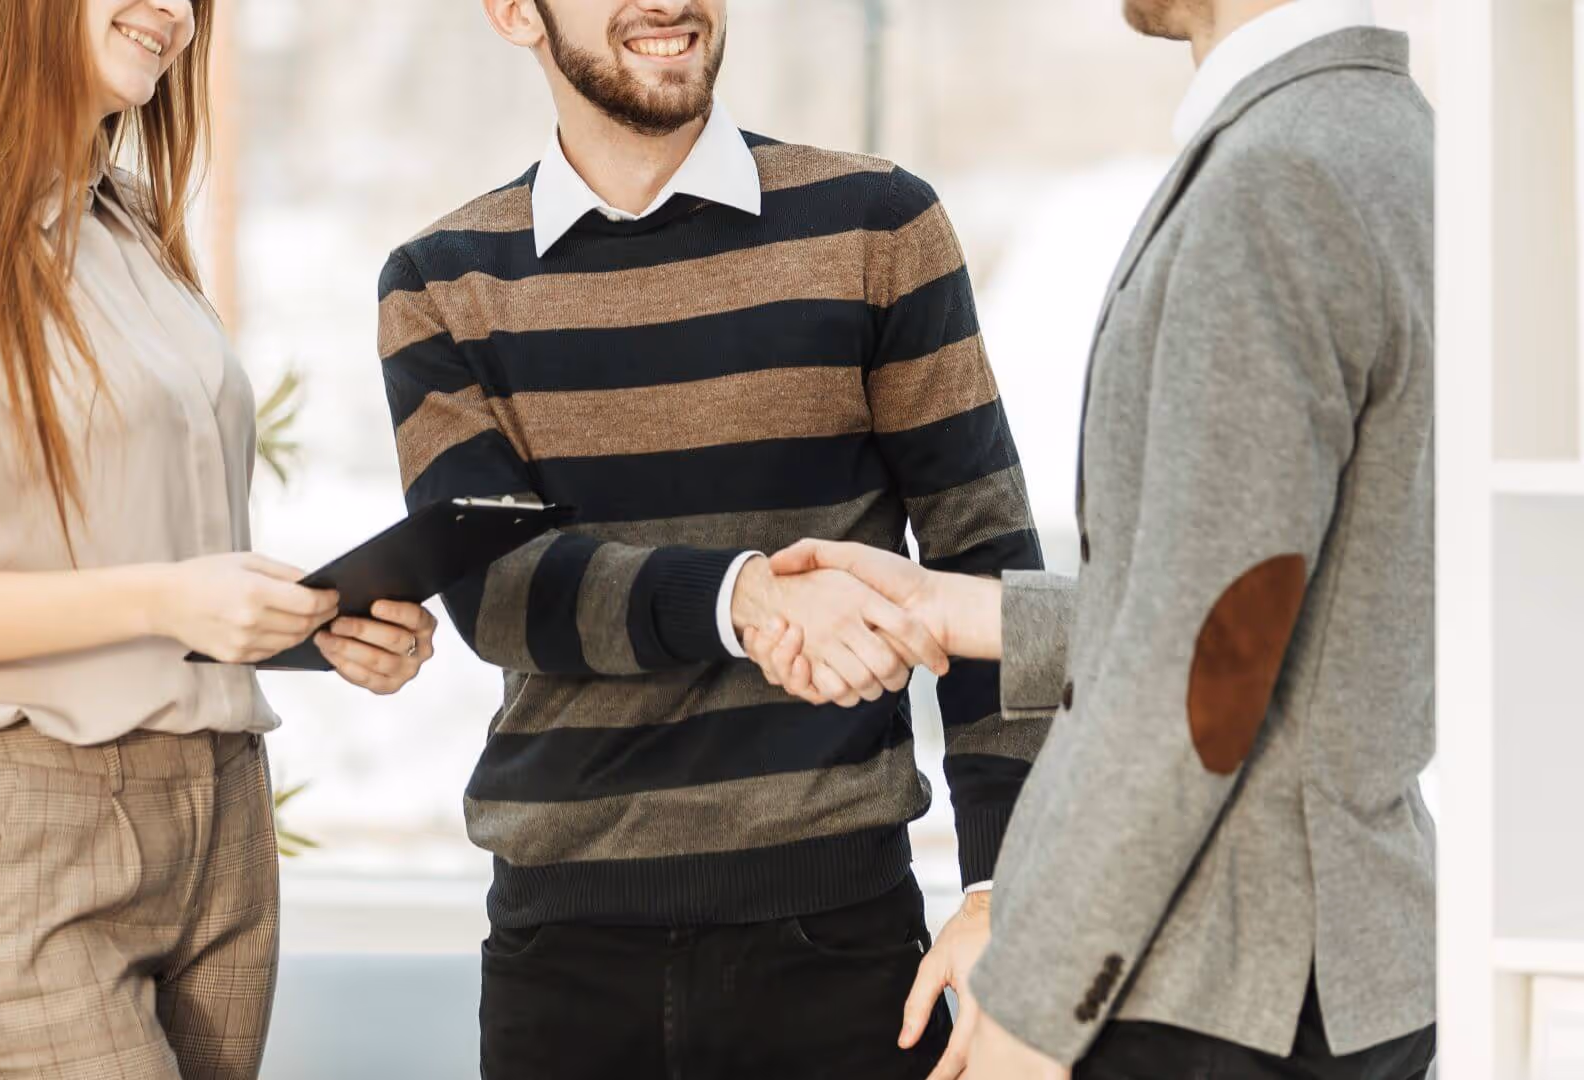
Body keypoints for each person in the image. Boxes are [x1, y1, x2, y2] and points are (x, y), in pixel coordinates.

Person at [749, 1, 1436, 1077]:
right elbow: (1283, 614)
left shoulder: (1271, 182)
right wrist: (963, 609)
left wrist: (1036, 1008)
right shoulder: (1389, 132)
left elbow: (1212, 669)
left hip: (1220, 990)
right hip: (1341, 966)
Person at [377, 1, 1044, 1076]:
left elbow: (988, 567)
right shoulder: (441, 284)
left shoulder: (877, 226)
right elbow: (496, 591)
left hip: (840, 947)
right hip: (563, 970)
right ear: (512, 12)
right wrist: (744, 598)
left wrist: (1000, 888)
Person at [0, 2, 437, 1076]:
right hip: (30, 827)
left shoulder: (132, 225)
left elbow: (140, 560)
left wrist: (310, 625)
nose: (173, 12)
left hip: (222, 820)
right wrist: (167, 599)